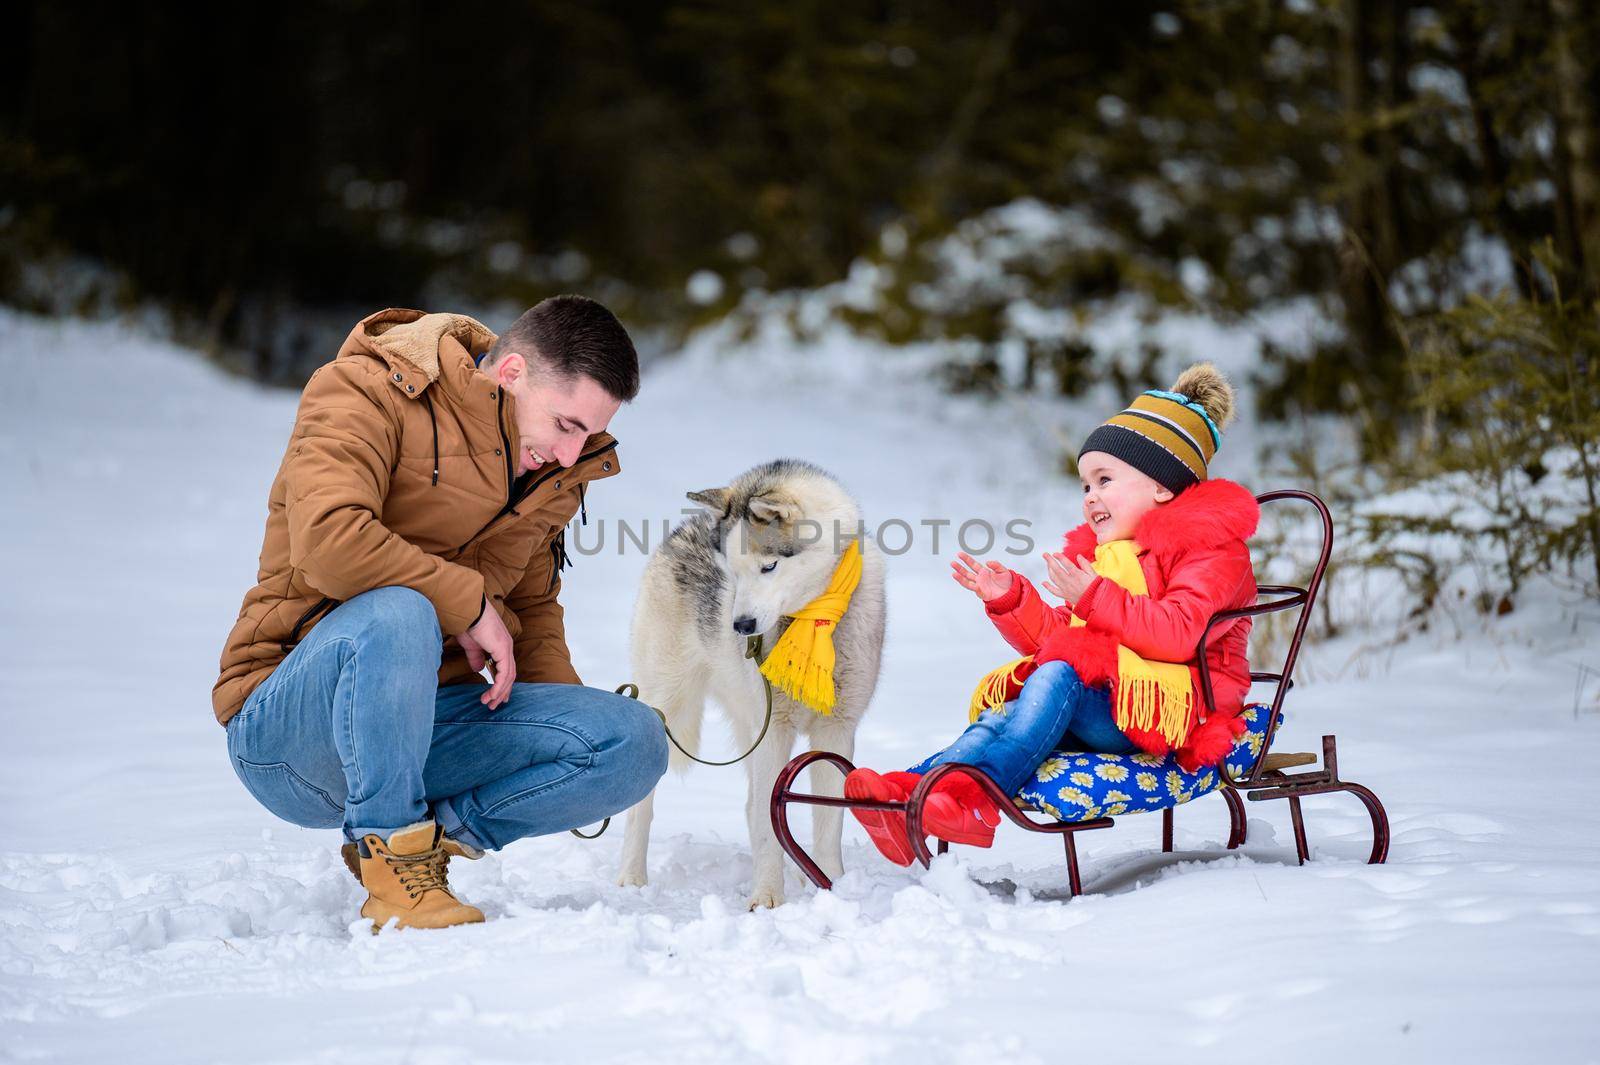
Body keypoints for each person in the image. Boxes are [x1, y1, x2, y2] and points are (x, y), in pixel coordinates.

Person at [213, 298, 668, 931]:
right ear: (511, 374)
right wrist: (467, 602)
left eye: (588, 436)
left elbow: (532, 608)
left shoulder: (550, 467)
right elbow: (327, 541)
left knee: (633, 739)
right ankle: (391, 856)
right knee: (399, 613)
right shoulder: (363, 388)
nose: (573, 455)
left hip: (432, 724)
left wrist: (560, 739)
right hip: (291, 730)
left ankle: (431, 842)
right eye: (566, 425)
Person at [845, 363, 1260, 865]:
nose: (1090, 498)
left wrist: (1094, 597)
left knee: (1056, 677)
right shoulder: (1111, 555)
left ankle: (977, 801)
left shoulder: (1212, 550)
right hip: (1113, 699)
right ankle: (911, 792)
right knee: (1006, 714)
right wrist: (1011, 601)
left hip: (1175, 711)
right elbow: (1068, 639)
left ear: (1162, 488)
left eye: (1104, 480)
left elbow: (1178, 636)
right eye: (1085, 486)